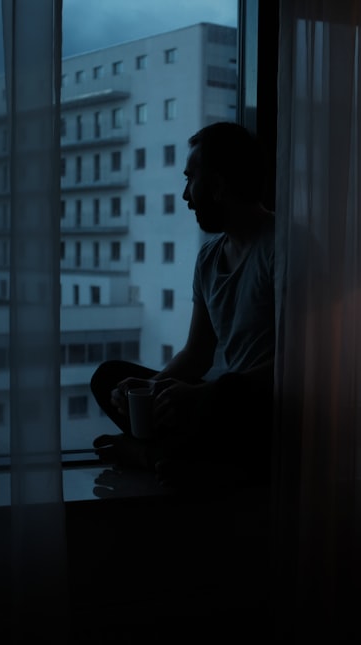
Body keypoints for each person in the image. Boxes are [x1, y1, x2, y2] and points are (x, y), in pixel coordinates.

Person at [89, 121, 275, 487]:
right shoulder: (209, 258)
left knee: (226, 393)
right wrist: (150, 388)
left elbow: (305, 363)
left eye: (190, 179)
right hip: (218, 401)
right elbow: (196, 354)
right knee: (109, 379)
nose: (186, 195)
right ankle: (182, 458)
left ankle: (154, 454)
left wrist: (207, 395)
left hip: (260, 404)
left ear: (219, 185)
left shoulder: (281, 247)